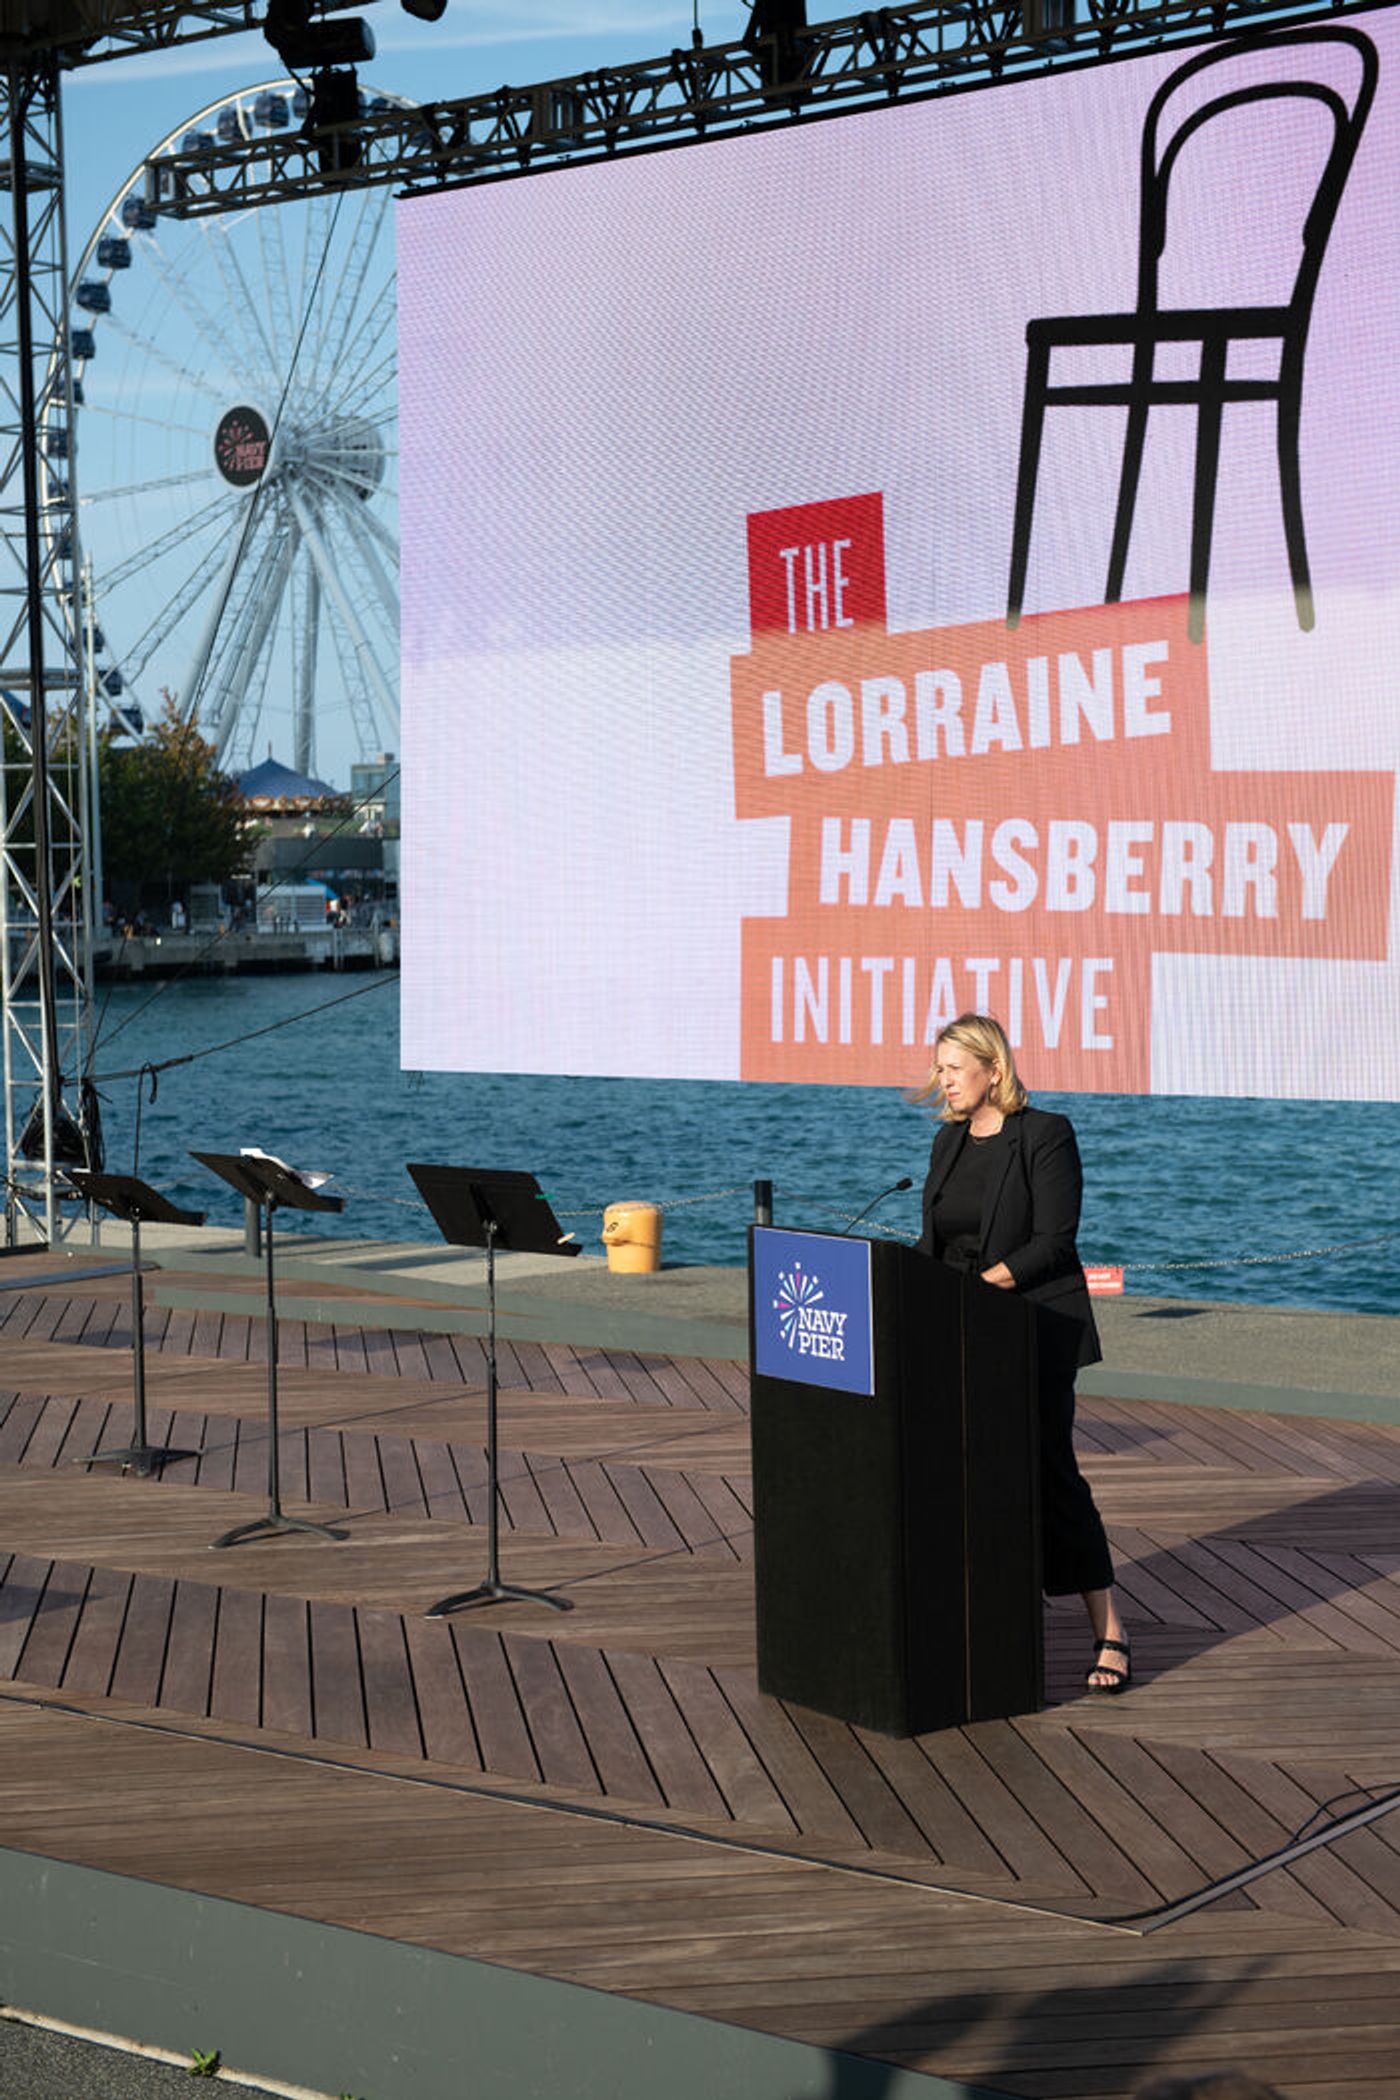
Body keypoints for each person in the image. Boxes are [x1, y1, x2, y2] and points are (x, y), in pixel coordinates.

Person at [916, 1012, 1129, 1694]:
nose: (942, 1080)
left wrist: (980, 1289)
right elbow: (936, 1244)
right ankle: (988, 1612)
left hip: (1032, 1328)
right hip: (960, 1330)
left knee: (1049, 1471)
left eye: (953, 1067)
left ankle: (1110, 1630)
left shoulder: (1045, 1135)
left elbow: (1054, 1241)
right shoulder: (947, 1143)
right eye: (940, 1068)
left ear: (993, 1069)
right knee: (960, 1473)